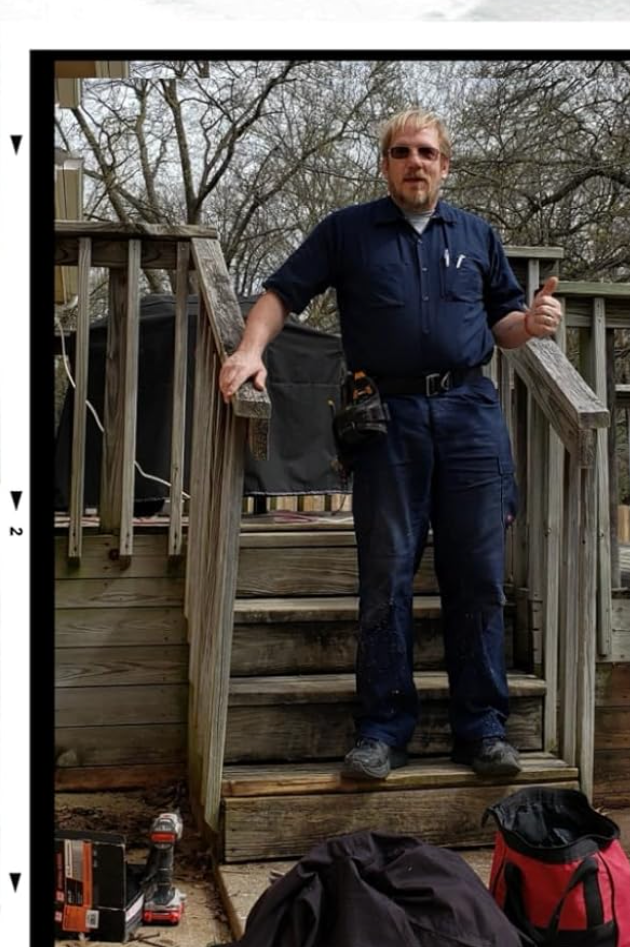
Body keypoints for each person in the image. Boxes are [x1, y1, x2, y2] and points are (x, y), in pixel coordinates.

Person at [219, 109, 563, 780]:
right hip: (388, 417)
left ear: (445, 165)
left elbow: (504, 325)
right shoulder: (347, 231)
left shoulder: (476, 235)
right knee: (386, 575)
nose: (415, 161)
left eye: (427, 151)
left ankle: (483, 728)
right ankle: (381, 729)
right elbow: (281, 293)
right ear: (385, 164)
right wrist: (249, 347)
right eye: (401, 151)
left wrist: (532, 321)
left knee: (479, 576)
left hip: (468, 413)